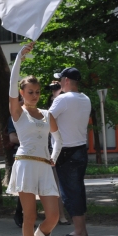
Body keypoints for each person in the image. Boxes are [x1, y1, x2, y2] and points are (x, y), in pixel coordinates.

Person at [7, 44, 62, 236]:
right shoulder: (18, 111)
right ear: (22, 93)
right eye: (30, 91)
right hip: (25, 165)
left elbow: (58, 139)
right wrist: (19, 57)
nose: (35, 95)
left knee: (54, 216)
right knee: (29, 215)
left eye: (38, 91)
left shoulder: (47, 114)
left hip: (43, 165)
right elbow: (11, 86)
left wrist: (54, 157)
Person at [49, 67, 92, 236]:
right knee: (78, 191)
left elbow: (46, 120)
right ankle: (81, 230)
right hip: (80, 149)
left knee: (69, 193)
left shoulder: (63, 99)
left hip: (66, 152)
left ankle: (80, 232)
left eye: (60, 80)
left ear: (66, 80)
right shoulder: (85, 98)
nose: (58, 83)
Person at [46, 81, 70, 225]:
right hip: (51, 152)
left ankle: (62, 215)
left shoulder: (66, 107)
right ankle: (60, 216)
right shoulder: (48, 116)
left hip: (65, 150)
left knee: (63, 185)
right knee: (55, 186)